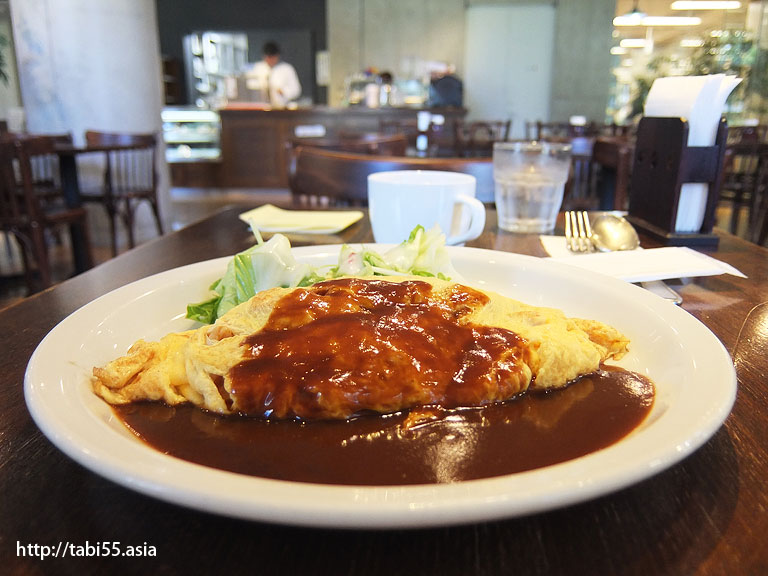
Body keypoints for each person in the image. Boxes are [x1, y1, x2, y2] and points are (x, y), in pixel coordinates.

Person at [245, 41, 301, 107]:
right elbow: (249, 86)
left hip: (282, 107)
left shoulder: (286, 69)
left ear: (277, 56)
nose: (270, 60)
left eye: (272, 57)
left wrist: (283, 91)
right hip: (261, 107)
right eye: (268, 57)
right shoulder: (257, 68)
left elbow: (296, 90)